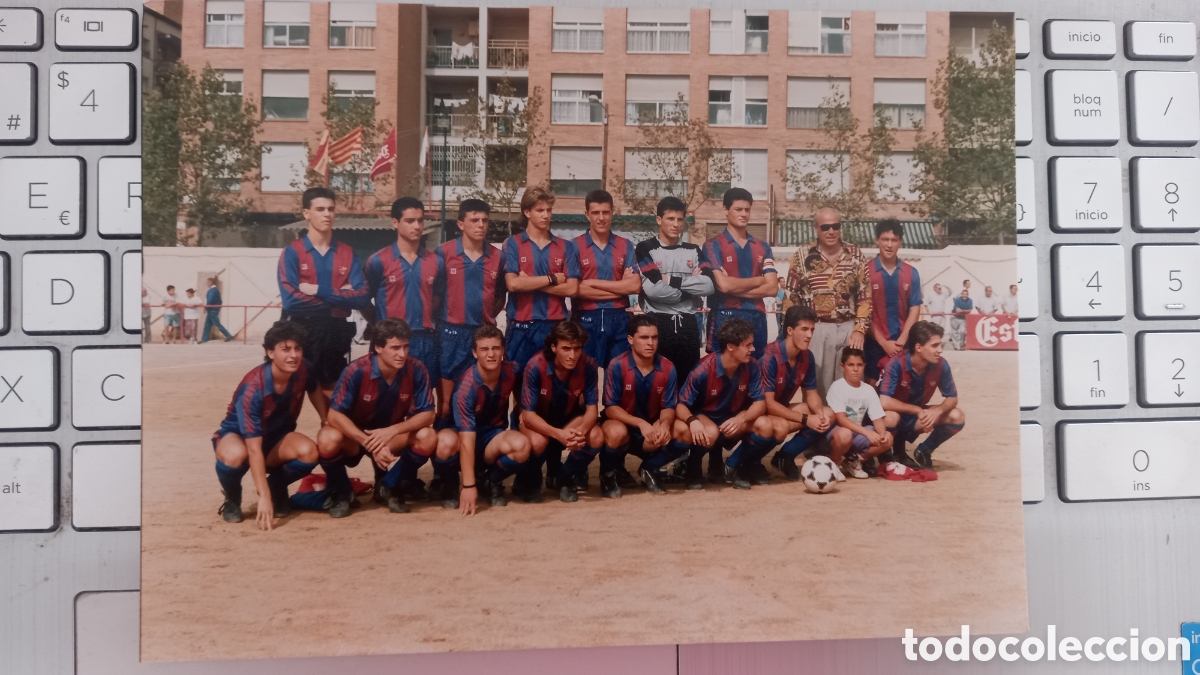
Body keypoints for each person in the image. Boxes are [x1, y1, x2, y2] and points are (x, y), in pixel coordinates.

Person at [311, 318, 438, 518]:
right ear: (378, 347)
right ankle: (343, 491)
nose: (402, 353)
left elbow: (428, 413)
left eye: (406, 347)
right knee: (326, 438)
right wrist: (369, 442)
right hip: (355, 437)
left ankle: (389, 485)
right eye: (395, 348)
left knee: (428, 436)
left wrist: (392, 431)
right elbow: (334, 415)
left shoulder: (416, 369)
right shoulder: (356, 370)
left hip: (389, 435)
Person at [212, 321, 325, 529]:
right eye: (285, 349)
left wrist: (325, 420)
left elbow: (314, 387)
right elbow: (254, 449)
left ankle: (276, 486)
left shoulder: (303, 368)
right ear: (270, 352)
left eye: (297, 348)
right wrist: (262, 496)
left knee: (309, 452)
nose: (293, 355)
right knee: (236, 455)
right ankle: (232, 498)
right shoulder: (253, 389)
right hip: (240, 436)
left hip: (276, 436)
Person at [277, 187, 370, 418]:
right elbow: (291, 301)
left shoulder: (347, 253)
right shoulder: (293, 252)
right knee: (293, 393)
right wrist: (339, 297)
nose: (327, 214)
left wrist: (321, 291)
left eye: (330, 209)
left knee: (333, 400)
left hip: (336, 329)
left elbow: (361, 296)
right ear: (306, 213)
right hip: (300, 327)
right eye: (320, 209)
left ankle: (328, 431)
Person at [366, 197, 444, 438]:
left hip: (423, 341)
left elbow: (437, 300)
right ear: (395, 222)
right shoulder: (378, 261)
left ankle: (410, 472)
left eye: (420, 220)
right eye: (410, 220)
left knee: (419, 410)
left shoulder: (435, 262)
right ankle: (382, 473)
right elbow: (364, 300)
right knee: (383, 405)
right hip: (389, 344)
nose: (417, 226)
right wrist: (381, 327)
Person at [502, 187, 580, 424]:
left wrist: (531, 282)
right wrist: (553, 278)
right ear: (527, 212)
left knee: (553, 390)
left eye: (549, 210)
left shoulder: (566, 247)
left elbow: (572, 289)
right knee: (520, 390)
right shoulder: (513, 244)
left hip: (553, 327)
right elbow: (513, 284)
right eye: (540, 210)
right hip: (521, 327)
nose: (546, 215)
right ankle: (520, 450)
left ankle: (552, 456)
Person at [441, 325, 532, 513]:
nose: (491, 354)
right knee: (443, 443)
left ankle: (492, 480)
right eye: (484, 349)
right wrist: (468, 486)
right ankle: (450, 484)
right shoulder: (466, 389)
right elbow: (467, 441)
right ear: (475, 353)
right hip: (463, 440)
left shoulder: (512, 371)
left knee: (522, 445)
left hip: (492, 438)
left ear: (503, 351)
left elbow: (523, 380)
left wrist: (522, 407)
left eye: (495, 348)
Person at [435, 198, 506, 430]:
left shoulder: (498, 257)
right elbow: (435, 297)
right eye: (474, 220)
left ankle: (477, 457)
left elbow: (499, 298)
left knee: (480, 400)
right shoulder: (444, 254)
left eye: (485, 220)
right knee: (446, 405)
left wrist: (485, 319)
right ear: (460, 224)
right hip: (451, 337)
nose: (480, 225)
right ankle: (443, 462)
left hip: (482, 336)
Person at [785, 206, 870, 399]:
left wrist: (859, 329)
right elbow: (791, 298)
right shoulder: (801, 256)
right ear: (816, 228)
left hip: (849, 329)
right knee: (817, 389)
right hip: (817, 329)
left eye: (835, 226)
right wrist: (793, 333)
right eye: (825, 227)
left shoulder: (856, 254)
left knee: (850, 390)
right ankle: (819, 429)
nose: (831, 231)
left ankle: (848, 429)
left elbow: (865, 295)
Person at [672, 318, 765, 490]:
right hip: (706, 417)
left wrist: (741, 418)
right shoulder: (703, 369)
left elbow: (760, 403)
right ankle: (693, 467)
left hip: (733, 417)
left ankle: (734, 466)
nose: (753, 349)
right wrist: (693, 422)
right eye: (747, 345)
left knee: (764, 424)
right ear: (730, 346)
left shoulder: (752, 365)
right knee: (710, 431)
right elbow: (681, 405)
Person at [517, 320, 603, 503]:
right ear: (554, 347)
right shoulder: (536, 365)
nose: (573, 355)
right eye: (566, 349)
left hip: (568, 420)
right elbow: (528, 415)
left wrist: (580, 433)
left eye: (577, 348)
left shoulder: (589, 365)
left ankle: (563, 476)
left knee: (595, 436)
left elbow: (592, 411)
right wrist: (558, 434)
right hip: (539, 422)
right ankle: (532, 478)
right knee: (538, 442)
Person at [634, 196, 714, 388]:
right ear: (659, 219)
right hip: (658, 322)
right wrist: (690, 289)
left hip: (688, 323)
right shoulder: (645, 248)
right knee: (657, 384)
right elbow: (653, 290)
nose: (676, 224)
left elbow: (709, 286)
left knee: (687, 383)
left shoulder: (694, 250)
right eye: (670, 219)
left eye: (680, 219)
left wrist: (667, 279)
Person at [599, 315, 679, 496]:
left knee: (683, 430)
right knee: (615, 432)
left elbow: (669, 406)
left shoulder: (667, 367)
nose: (650, 343)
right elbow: (611, 407)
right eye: (644, 337)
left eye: (654, 337)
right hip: (625, 427)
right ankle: (608, 473)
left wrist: (664, 424)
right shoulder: (617, 365)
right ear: (630, 339)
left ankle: (650, 468)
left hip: (651, 430)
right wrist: (640, 424)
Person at [758, 306, 833, 482]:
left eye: (812, 330)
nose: (809, 335)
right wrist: (807, 419)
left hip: (779, 410)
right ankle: (748, 462)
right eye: (804, 329)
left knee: (827, 414)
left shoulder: (807, 356)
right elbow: (768, 404)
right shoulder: (769, 356)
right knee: (780, 427)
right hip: (757, 412)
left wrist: (819, 413)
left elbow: (812, 393)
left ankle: (784, 456)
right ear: (790, 330)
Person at [879, 320, 966, 470]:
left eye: (940, 345)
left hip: (914, 417)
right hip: (889, 417)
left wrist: (935, 411)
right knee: (891, 416)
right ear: (918, 347)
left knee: (957, 416)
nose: (940, 350)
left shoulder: (940, 364)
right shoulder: (896, 363)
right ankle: (887, 455)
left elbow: (952, 398)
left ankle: (924, 450)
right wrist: (918, 411)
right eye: (934, 346)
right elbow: (884, 402)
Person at [702, 188, 779, 359]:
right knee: (721, 371)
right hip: (725, 314)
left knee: (754, 371)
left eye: (747, 209)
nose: (743, 214)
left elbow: (773, 288)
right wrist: (760, 280)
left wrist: (732, 286)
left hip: (757, 317)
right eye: (738, 209)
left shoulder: (763, 247)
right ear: (726, 210)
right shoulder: (713, 245)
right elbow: (723, 285)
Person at [573, 190, 640, 367]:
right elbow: (575, 289)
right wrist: (620, 287)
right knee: (584, 378)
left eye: (605, 212)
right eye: (596, 213)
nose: (601, 218)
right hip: (585, 318)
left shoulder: (625, 245)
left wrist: (592, 283)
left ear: (612, 212)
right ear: (587, 214)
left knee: (618, 377)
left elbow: (634, 286)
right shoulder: (574, 246)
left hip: (619, 318)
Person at [865, 219, 922, 386]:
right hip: (874, 343)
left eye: (894, 240)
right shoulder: (865, 272)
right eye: (885, 239)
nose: (889, 245)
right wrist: (883, 342)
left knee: (900, 389)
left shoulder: (911, 273)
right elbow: (863, 311)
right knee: (871, 390)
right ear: (877, 241)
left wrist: (902, 339)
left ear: (900, 243)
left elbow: (915, 308)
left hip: (902, 343)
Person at [825, 347, 894, 481]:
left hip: (857, 434)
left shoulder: (868, 389)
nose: (855, 369)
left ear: (864, 366)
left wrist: (881, 434)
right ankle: (834, 462)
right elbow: (841, 419)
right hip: (837, 434)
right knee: (845, 433)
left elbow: (877, 417)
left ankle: (853, 460)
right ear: (842, 367)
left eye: (859, 365)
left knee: (888, 438)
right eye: (851, 365)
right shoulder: (837, 386)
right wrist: (867, 433)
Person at [201, 277, 234, 343]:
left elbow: (210, 300)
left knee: (217, 324)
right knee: (207, 325)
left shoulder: (213, 290)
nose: (207, 284)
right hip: (213, 309)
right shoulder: (215, 290)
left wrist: (206, 307)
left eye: (208, 282)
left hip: (212, 309)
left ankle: (228, 335)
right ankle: (204, 339)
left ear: (210, 283)